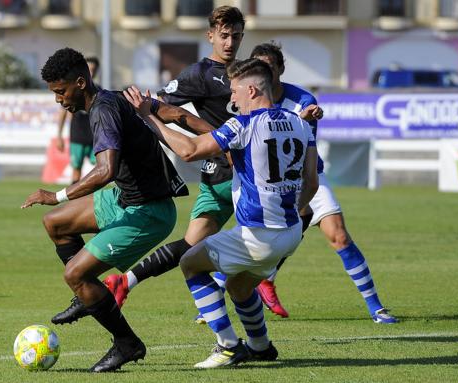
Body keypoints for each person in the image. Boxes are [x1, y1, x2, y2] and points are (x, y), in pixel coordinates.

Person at [122, 58, 319, 368]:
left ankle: (228, 346)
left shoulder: (242, 125)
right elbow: (312, 181)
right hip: (291, 233)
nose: (231, 99)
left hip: (259, 234)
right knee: (239, 286)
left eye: (235, 91)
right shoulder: (300, 123)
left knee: (190, 263)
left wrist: (149, 117)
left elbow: (187, 151)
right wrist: (294, 207)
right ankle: (260, 345)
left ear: (252, 90)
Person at [21, 47, 188, 372]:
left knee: (75, 273)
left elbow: (105, 170)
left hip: (148, 213)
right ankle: (86, 295)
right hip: (124, 199)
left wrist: (56, 195)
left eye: (60, 91)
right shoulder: (109, 99)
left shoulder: (103, 110)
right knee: (55, 224)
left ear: (80, 83)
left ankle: (127, 343)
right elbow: (167, 112)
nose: (58, 99)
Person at [103, 5, 245, 320]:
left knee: (191, 247)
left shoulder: (247, 73)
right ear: (211, 35)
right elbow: (164, 105)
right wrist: (136, 105)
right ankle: (237, 291)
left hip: (225, 176)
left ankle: (125, 280)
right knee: (261, 243)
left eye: (236, 36)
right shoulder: (201, 73)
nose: (229, 43)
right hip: (230, 177)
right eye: (224, 36)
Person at [249, 41, 398, 324]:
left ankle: (376, 308)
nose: (265, 73)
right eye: (259, 68)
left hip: (308, 179)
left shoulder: (302, 99)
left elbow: (304, 139)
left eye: (270, 67)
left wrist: (306, 118)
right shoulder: (249, 100)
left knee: (339, 235)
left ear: (280, 68)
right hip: (269, 186)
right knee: (252, 244)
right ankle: (214, 299)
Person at [56, 56, 99, 184]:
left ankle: (93, 200)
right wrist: (59, 136)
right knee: (76, 170)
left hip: (95, 136)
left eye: (94, 69)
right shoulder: (72, 89)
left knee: (100, 168)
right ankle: (74, 202)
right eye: (89, 69)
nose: (91, 72)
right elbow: (63, 112)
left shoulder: (99, 90)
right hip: (77, 135)